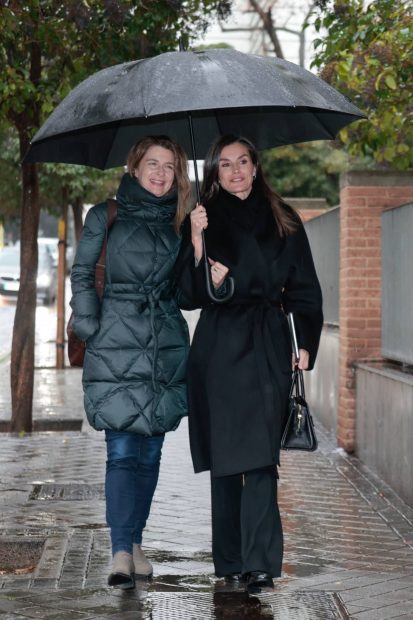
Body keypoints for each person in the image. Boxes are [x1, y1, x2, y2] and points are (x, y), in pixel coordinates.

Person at [175, 134, 323, 592]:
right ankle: (230, 561)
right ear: (215, 173)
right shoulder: (203, 218)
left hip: (267, 343)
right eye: (225, 164)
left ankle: (259, 562)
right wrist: (197, 246)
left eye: (242, 162)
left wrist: (305, 342)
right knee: (226, 459)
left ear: (256, 166)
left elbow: (304, 287)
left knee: (260, 458)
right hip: (219, 346)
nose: (236, 171)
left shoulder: (284, 217)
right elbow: (186, 293)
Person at [70, 135, 191, 589]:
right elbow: (82, 272)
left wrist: (199, 243)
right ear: (134, 168)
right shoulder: (106, 215)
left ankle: (136, 540)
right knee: (121, 451)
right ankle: (121, 549)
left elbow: (185, 293)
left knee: (152, 452)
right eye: (152, 165)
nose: (160, 174)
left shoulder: (180, 224)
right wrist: (89, 325)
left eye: (170, 166)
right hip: (115, 342)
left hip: (163, 347)